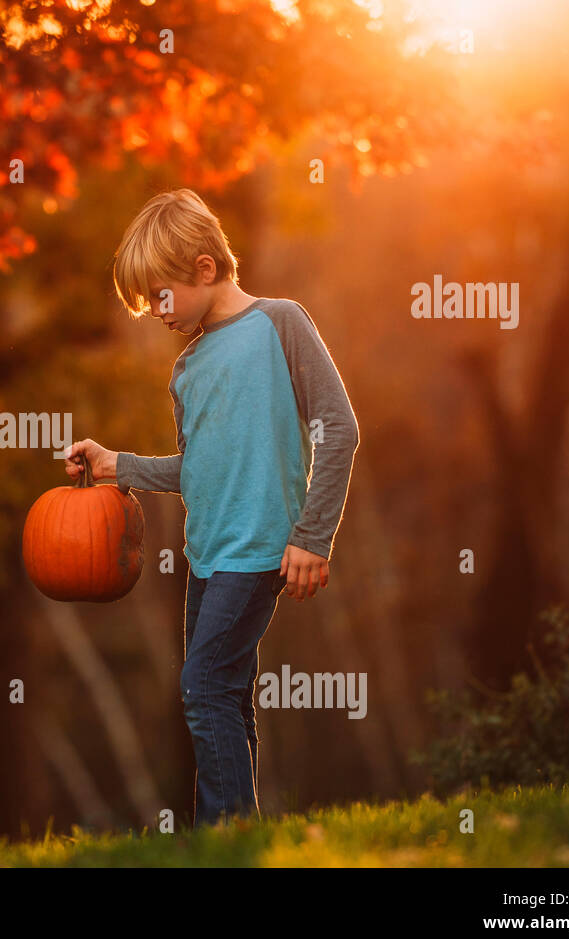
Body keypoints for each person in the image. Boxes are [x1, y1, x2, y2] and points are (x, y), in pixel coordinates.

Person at [64, 187, 360, 830]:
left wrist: (312, 535)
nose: (156, 313)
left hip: (259, 551)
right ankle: (236, 833)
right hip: (206, 559)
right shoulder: (188, 368)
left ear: (204, 268)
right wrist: (118, 464)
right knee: (225, 694)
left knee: (201, 687)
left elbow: (337, 427)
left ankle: (224, 834)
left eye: (161, 296)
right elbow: (198, 471)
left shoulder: (281, 324)